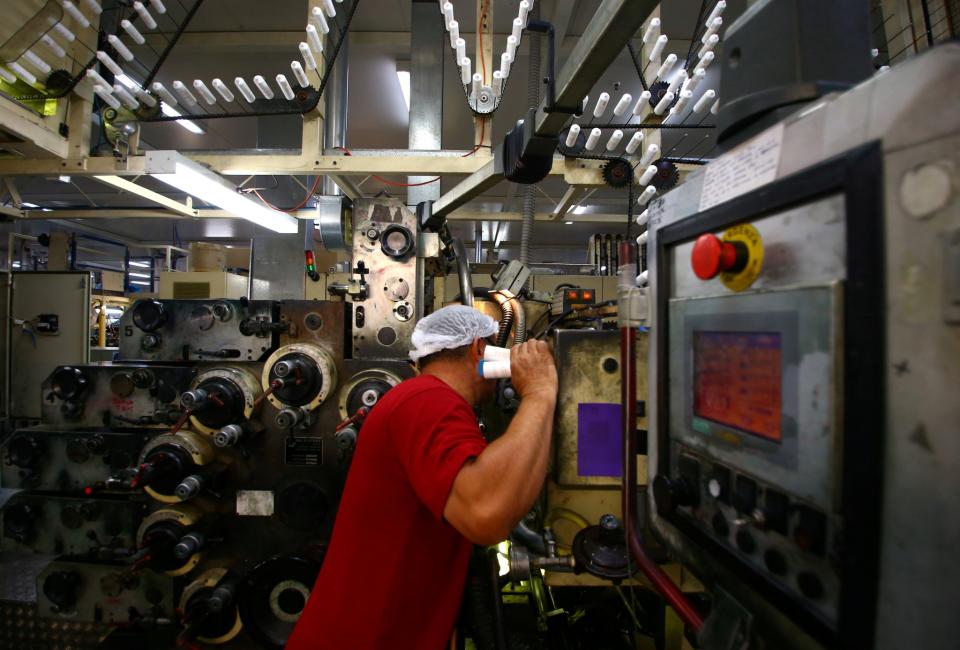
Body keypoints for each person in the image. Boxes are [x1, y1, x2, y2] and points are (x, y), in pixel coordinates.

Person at [287, 305, 558, 650]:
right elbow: (486, 515)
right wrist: (539, 392)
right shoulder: (429, 401)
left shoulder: (420, 398)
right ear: (479, 349)